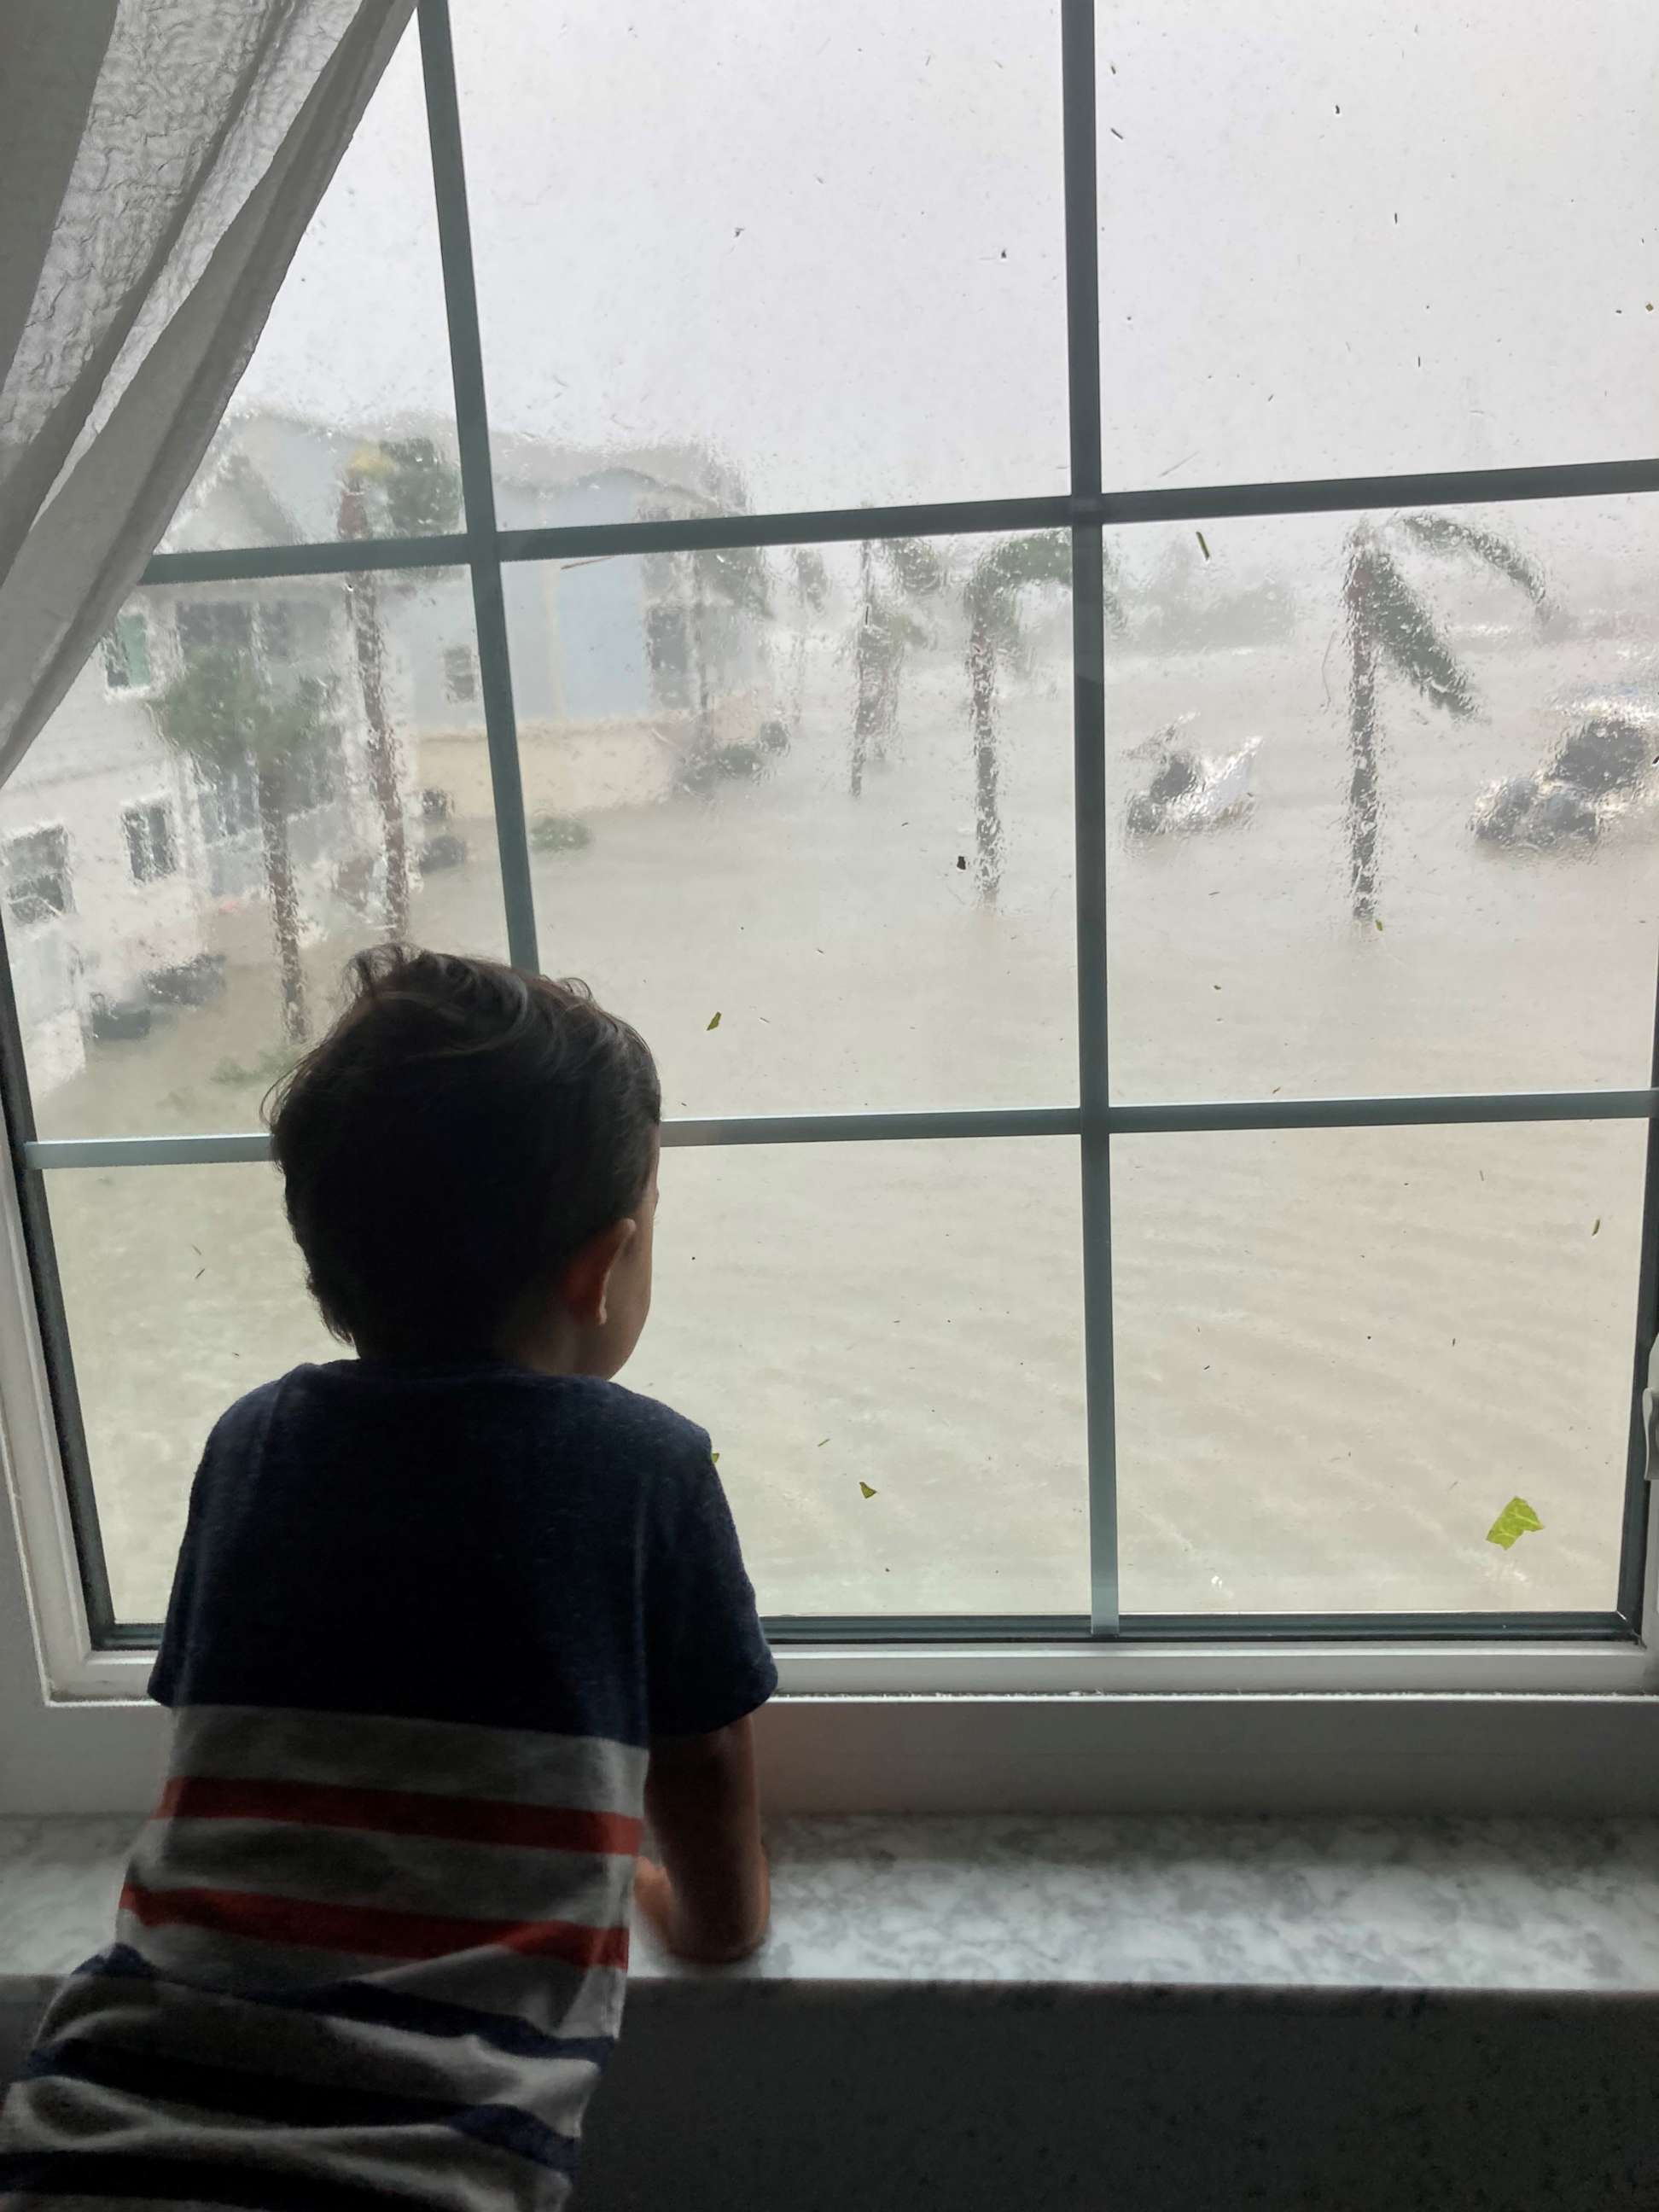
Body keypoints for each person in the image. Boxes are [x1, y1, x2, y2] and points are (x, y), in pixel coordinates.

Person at [0, 947, 776, 2209]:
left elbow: (235, 1754)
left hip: (91, 2126)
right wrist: (711, 1924)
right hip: (412, 2169)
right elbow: (701, 1761)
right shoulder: (646, 1468)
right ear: (604, 1263)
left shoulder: (254, 1443)